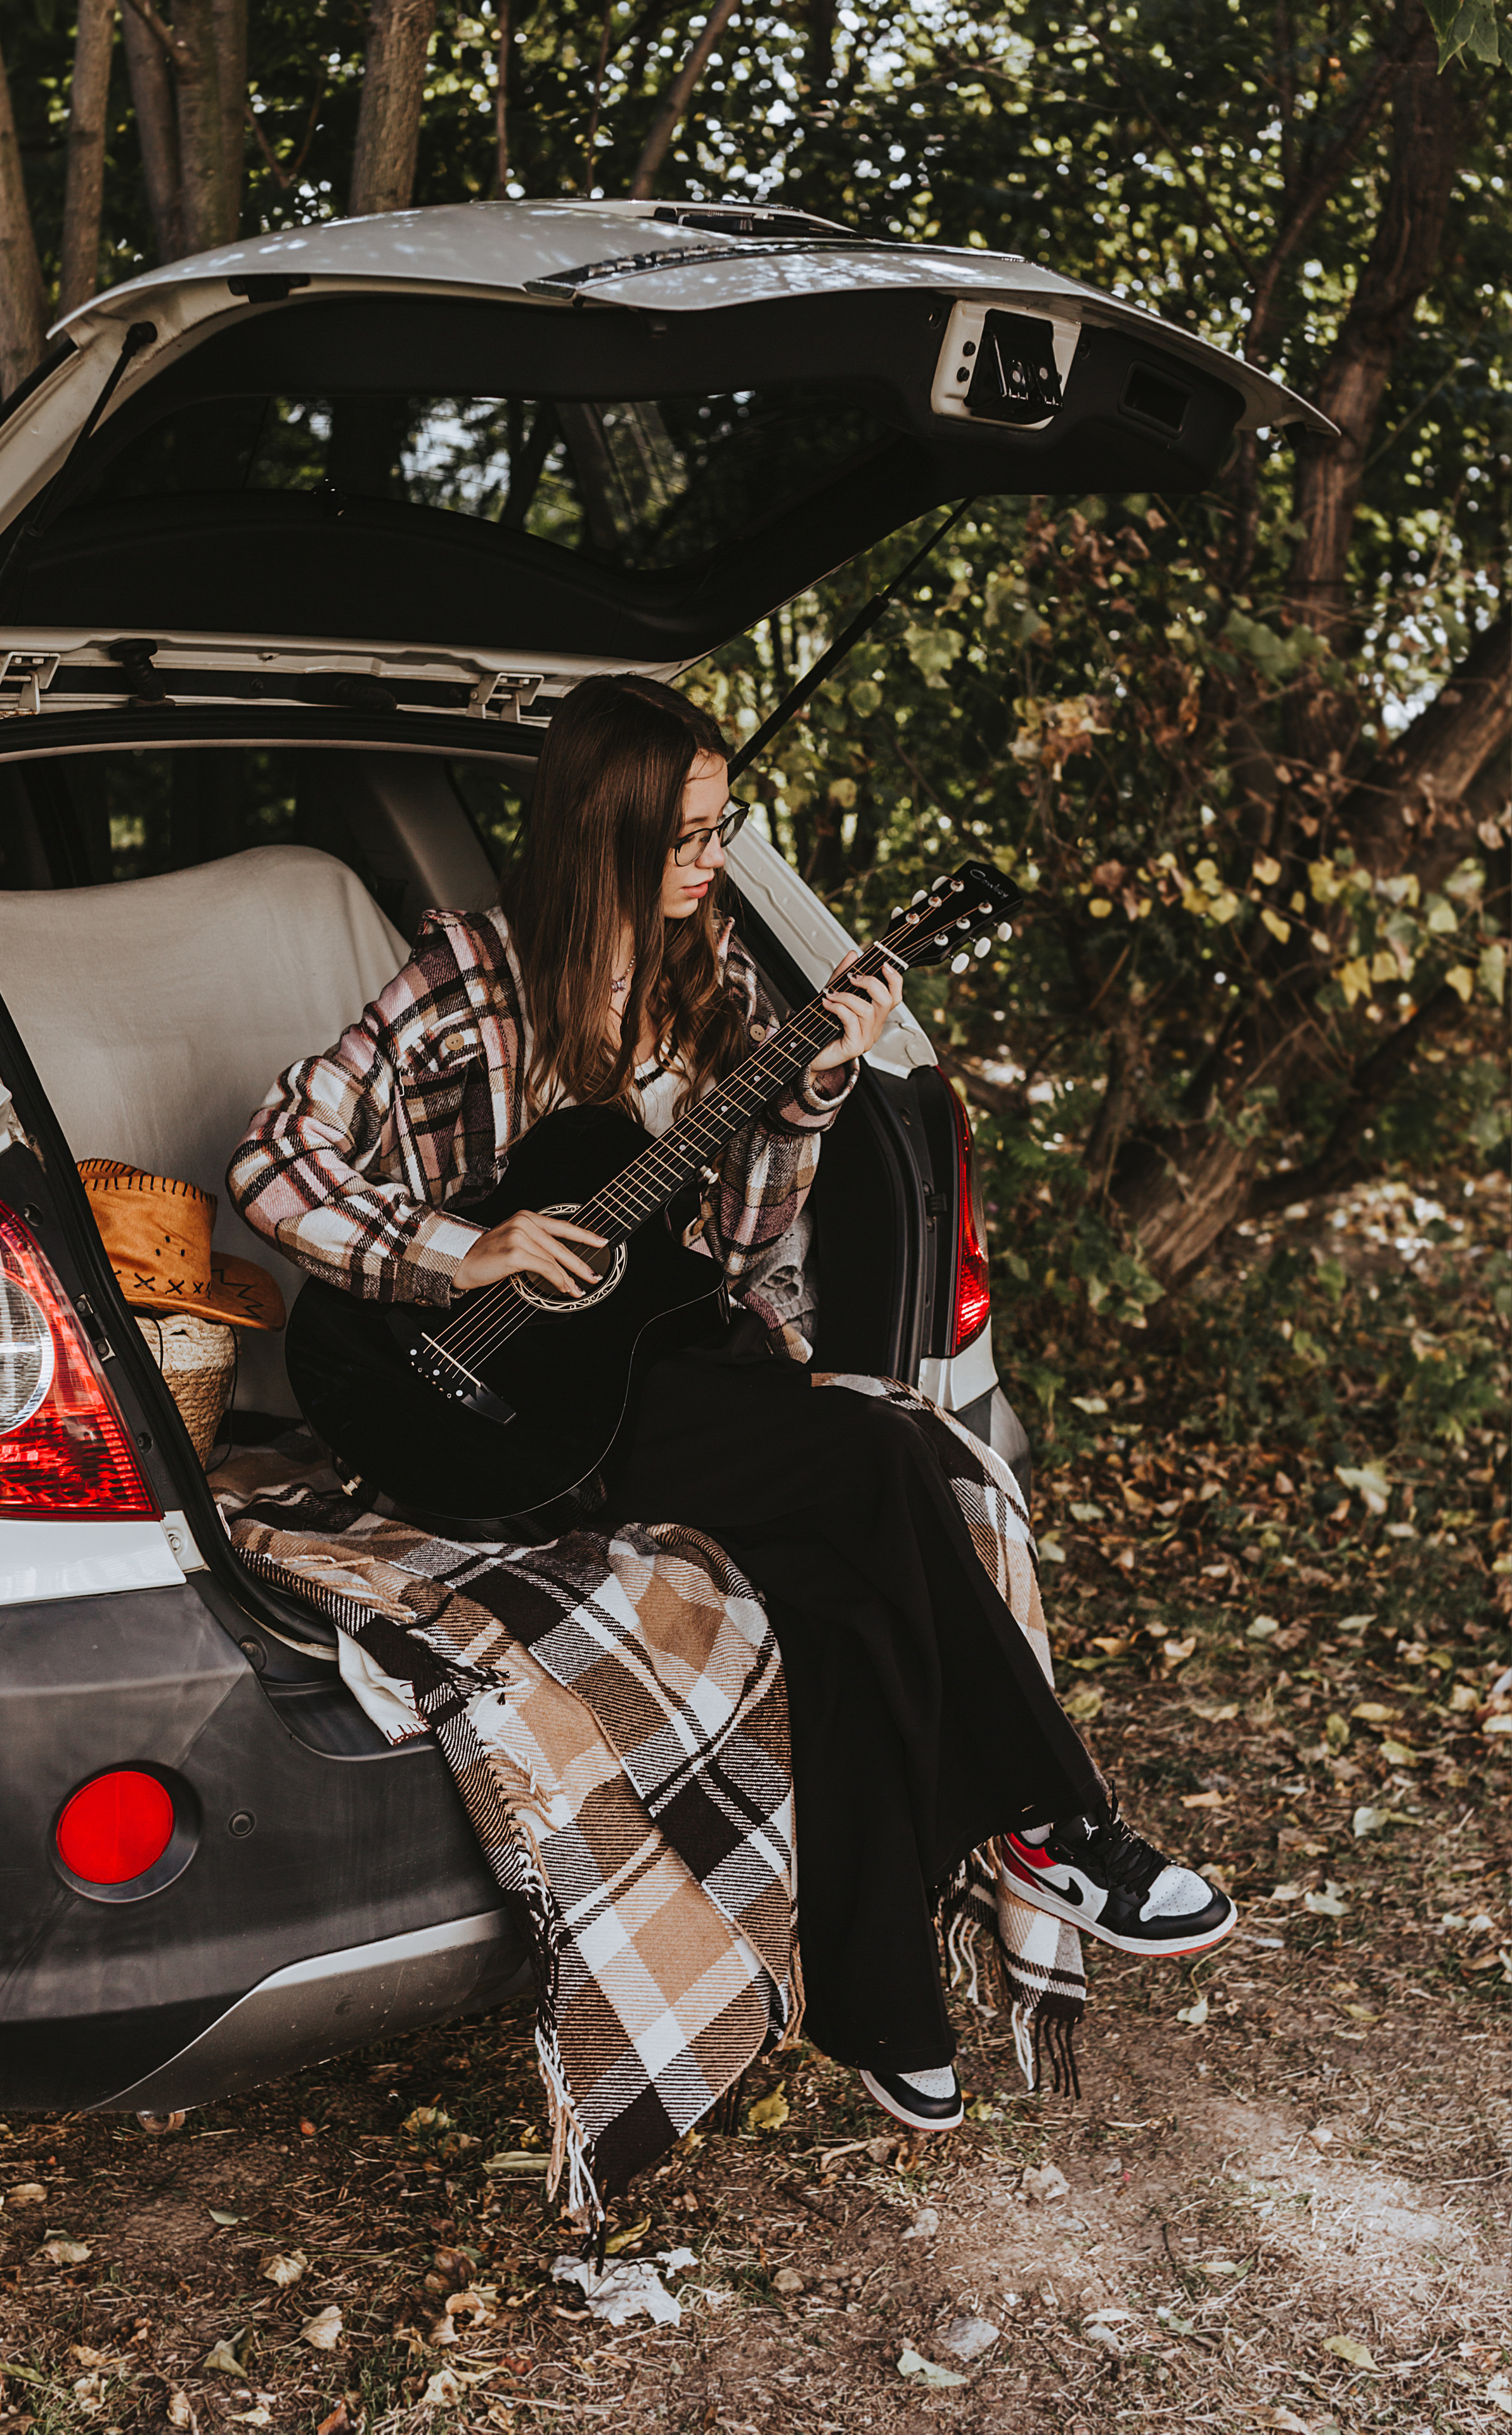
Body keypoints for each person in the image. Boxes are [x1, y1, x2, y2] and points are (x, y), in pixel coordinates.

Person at [228, 675, 1235, 2134]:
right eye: (689, 838)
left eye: (720, 828)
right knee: (876, 1457)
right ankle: (1050, 1822)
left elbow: (749, 1244)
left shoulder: (717, 990)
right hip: (480, 1395)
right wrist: (471, 1247)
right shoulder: (467, 976)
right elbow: (273, 1159)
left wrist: (811, 1092)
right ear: (603, 836)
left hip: (651, 1357)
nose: (713, 864)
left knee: (836, 1584)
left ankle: (877, 2003)